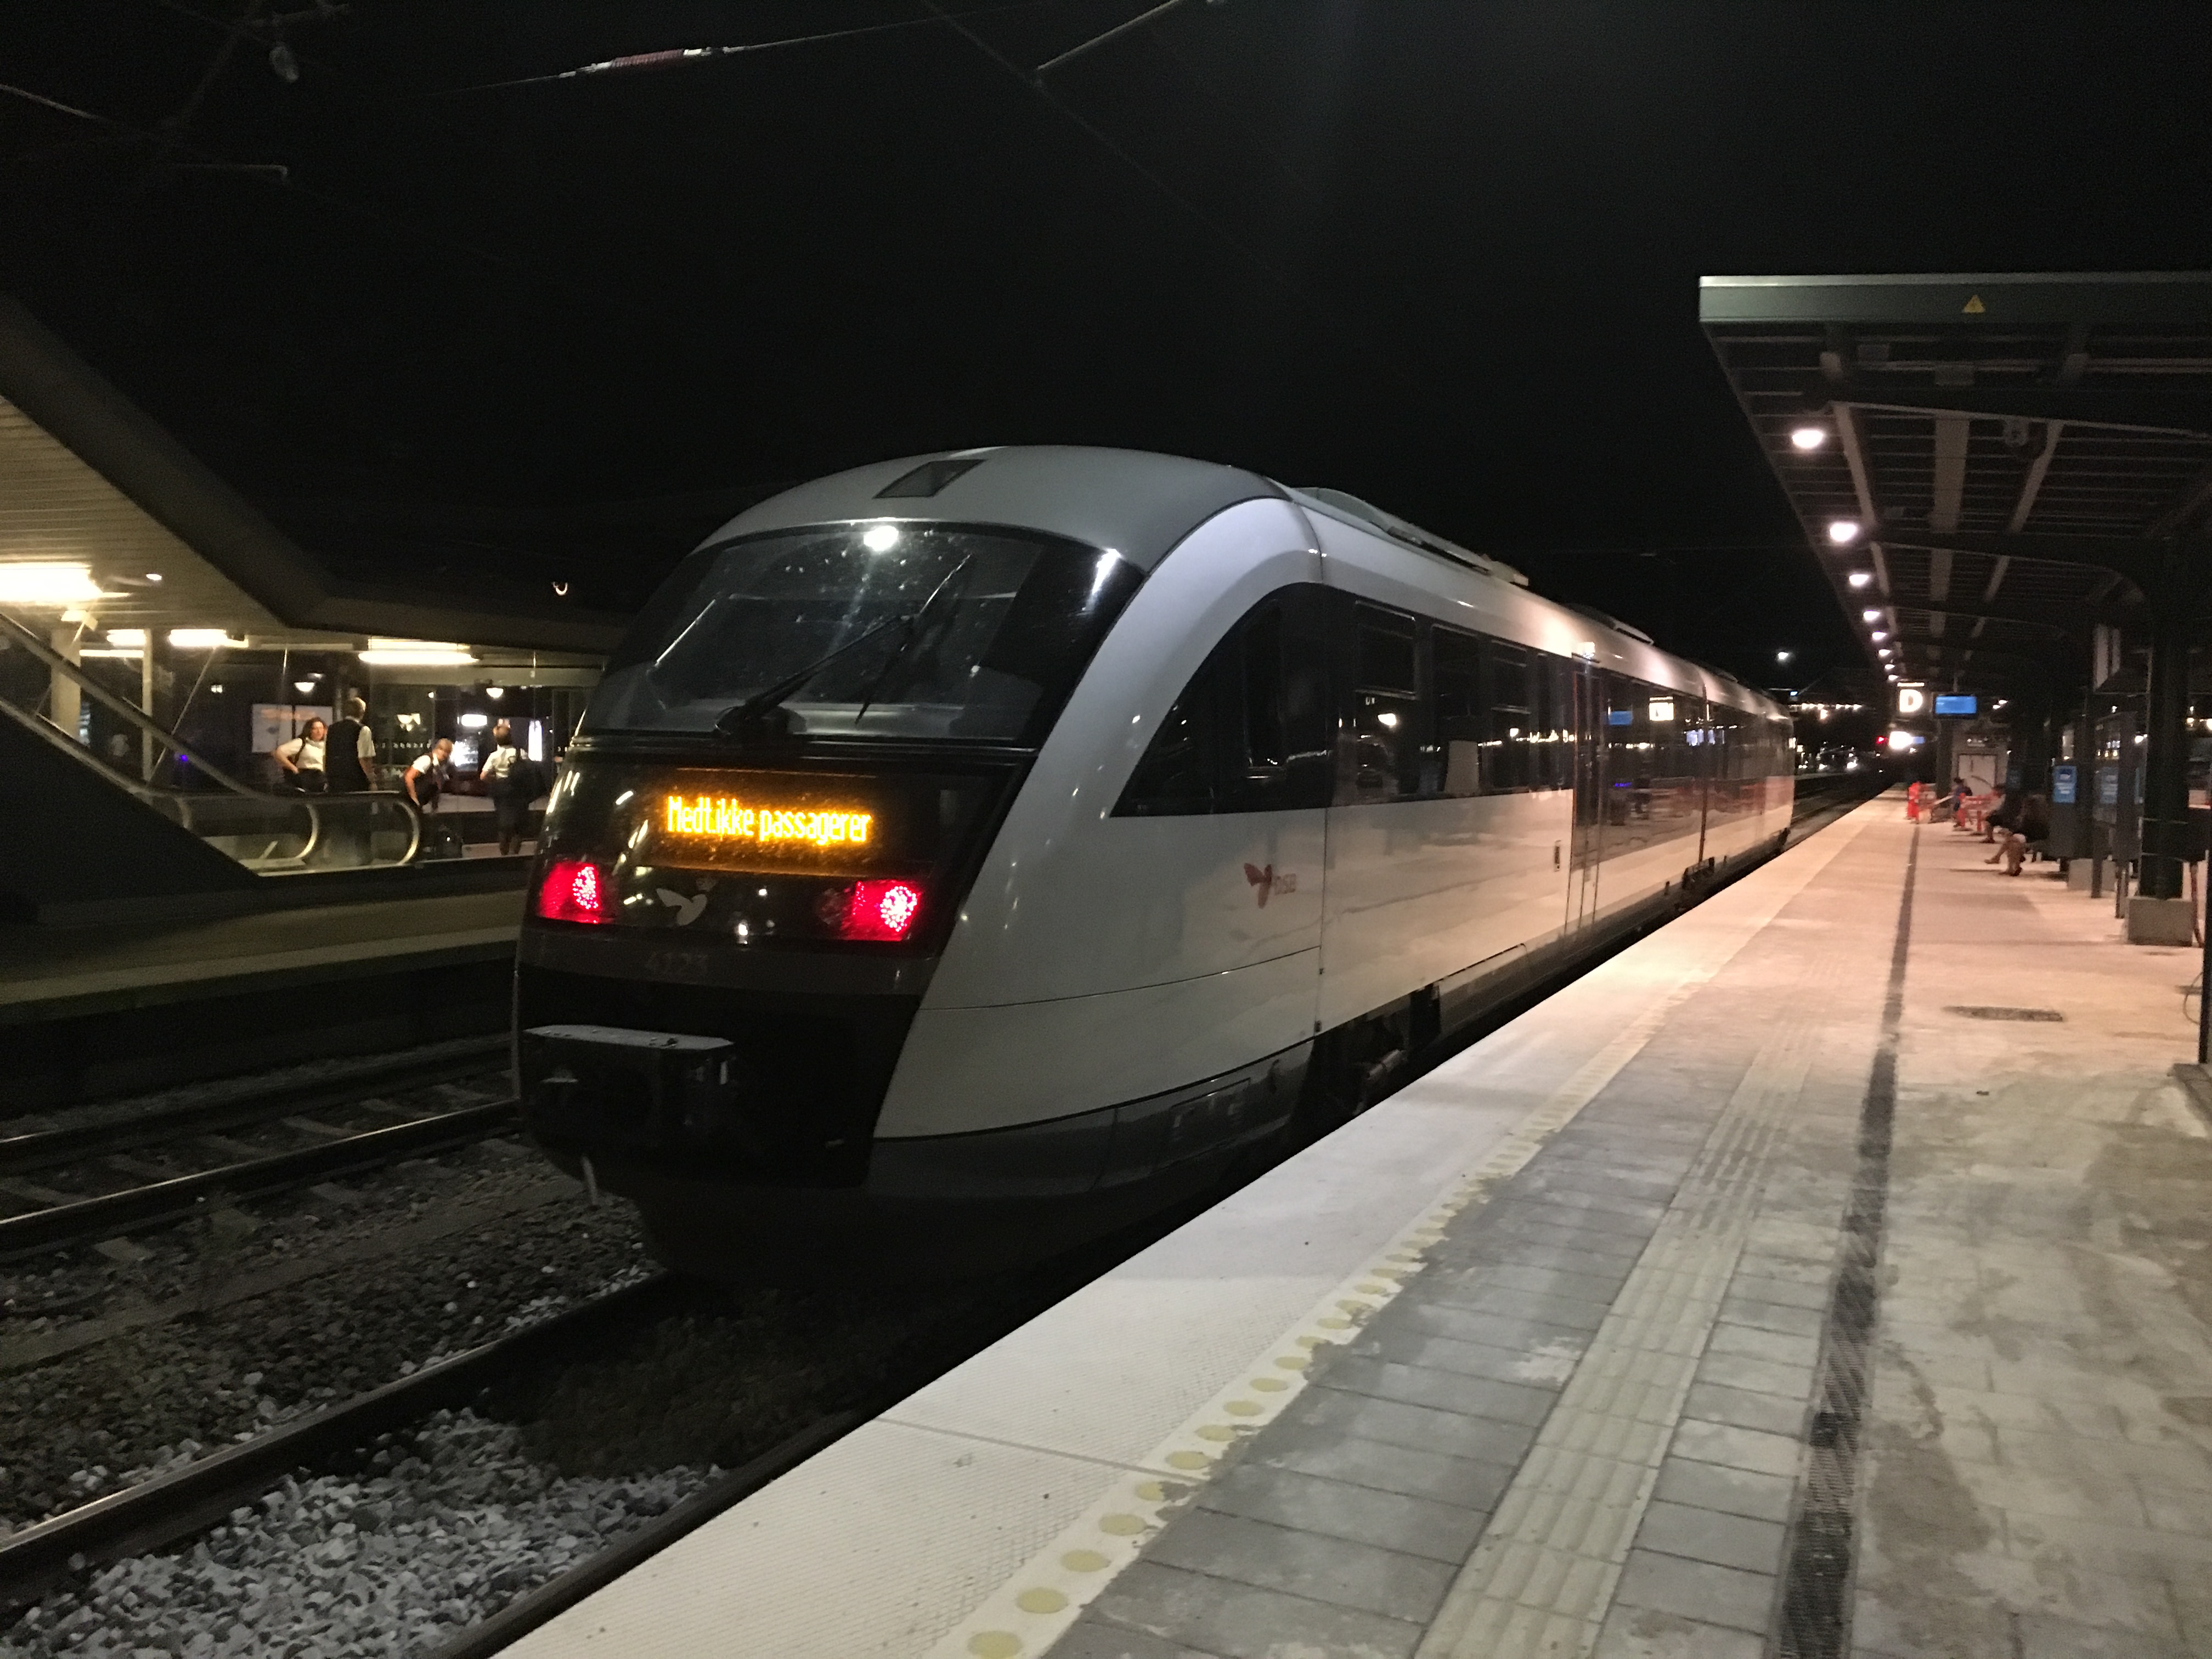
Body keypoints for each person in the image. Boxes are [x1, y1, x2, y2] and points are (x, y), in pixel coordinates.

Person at [479, 721, 529, 856]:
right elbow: (529, 770)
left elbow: (483, 776)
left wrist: (496, 779)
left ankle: (504, 853)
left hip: (501, 791)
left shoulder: (494, 756)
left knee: (503, 823)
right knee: (518, 823)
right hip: (519, 791)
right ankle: (514, 853)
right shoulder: (521, 753)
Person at [1988, 791, 2050, 876]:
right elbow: (2020, 829)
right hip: (2027, 837)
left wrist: (2013, 833)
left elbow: (2035, 833)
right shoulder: (2027, 816)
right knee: (2012, 841)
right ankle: (2011, 866)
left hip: (2036, 839)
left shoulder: (2039, 819)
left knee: (2013, 842)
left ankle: (2006, 863)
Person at [324, 698, 379, 793]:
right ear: (362, 712)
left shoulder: (332, 729)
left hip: (334, 781)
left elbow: (326, 755)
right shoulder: (363, 730)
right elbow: (364, 759)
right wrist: (372, 781)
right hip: (356, 782)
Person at [274, 716, 328, 793]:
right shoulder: (302, 743)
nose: (319, 731)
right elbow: (279, 752)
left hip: (323, 778)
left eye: (321, 728)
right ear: (309, 730)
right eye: (315, 729)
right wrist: (294, 769)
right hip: (307, 777)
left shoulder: (327, 745)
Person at [404, 736, 454, 811]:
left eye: (448, 753)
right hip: (406, 801)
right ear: (438, 749)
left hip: (417, 803)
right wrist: (414, 799)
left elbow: (437, 787)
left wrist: (434, 807)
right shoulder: (426, 760)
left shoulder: (438, 767)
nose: (446, 755)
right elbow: (409, 777)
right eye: (444, 752)